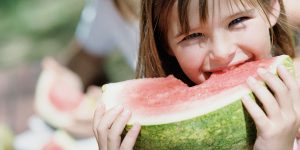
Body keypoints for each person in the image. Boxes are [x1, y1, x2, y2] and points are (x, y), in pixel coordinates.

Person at [93, 0, 300, 149]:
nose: (221, 52)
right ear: (166, 43)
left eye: (237, 21)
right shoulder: (167, 136)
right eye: (194, 35)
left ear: (271, 7)